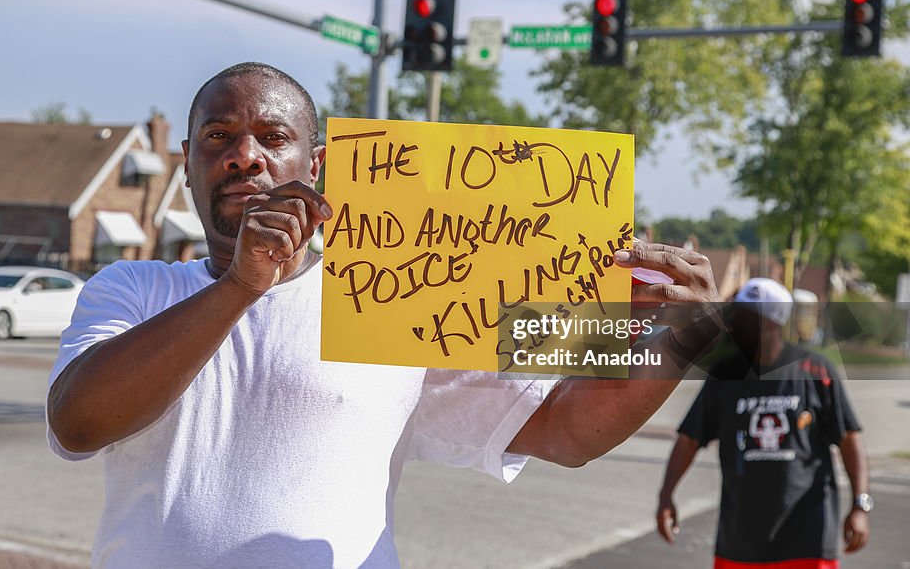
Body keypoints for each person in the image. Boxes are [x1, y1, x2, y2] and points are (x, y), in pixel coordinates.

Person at [46, 61, 721, 568]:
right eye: (218, 135)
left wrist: (671, 338)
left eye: (270, 136)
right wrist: (240, 287)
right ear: (188, 163)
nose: (243, 154)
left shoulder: (395, 296)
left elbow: (567, 427)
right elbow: (78, 423)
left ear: (315, 166)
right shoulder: (131, 287)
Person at [656, 278, 870, 569]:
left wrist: (860, 505)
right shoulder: (725, 373)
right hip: (740, 542)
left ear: (770, 322)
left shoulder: (815, 370)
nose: (732, 324)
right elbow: (689, 438)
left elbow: (849, 438)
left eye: (743, 317)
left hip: (807, 538)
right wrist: (666, 495)